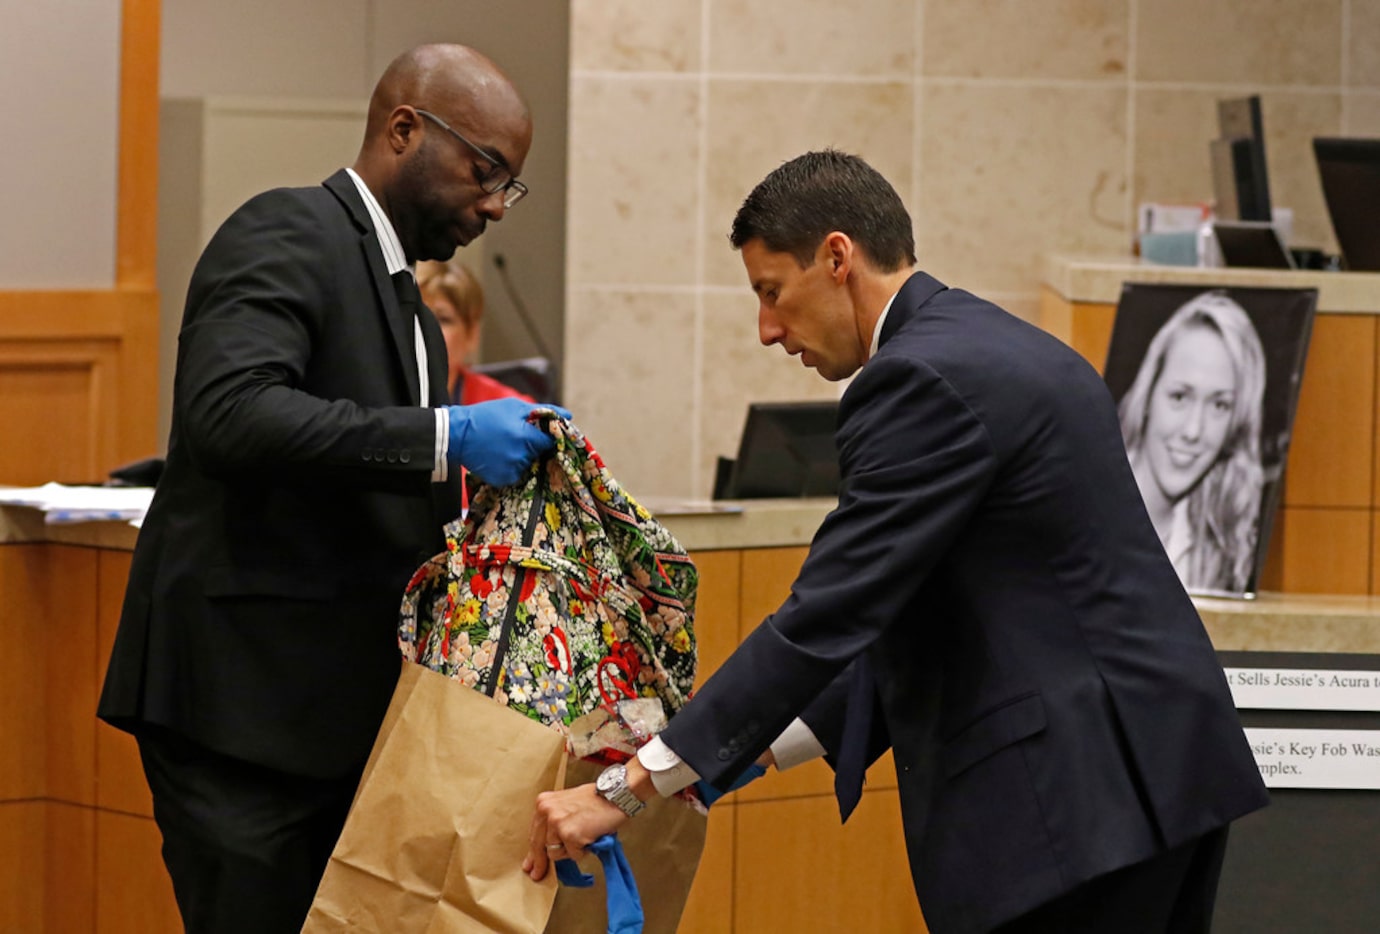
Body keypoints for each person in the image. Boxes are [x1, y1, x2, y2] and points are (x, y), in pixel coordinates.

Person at [525, 151, 1268, 934]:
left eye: (772, 293)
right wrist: (723, 760)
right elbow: (914, 615)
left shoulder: (916, 380)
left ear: (838, 257)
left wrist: (628, 787)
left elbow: (825, 618)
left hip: (1081, 805)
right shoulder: (994, 344)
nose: (768, 330)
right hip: (1159, 779)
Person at [97, 44, 562, 933]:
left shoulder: (419, 318)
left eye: (512, 183)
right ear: (403, 130)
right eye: (487, 170)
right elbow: (229, 415)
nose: (497, 204)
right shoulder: (286, 228)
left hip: (346, 727)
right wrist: (449, 436)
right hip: (244, 721)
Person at [1117, 291, 1267, 594]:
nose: (1194, 430)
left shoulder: (1226, 536)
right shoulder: (1084, 505)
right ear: (1147, 395)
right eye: (1179, 397)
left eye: (1219, 405)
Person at [416, 256, 531, 404]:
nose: (427, 328)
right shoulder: (379, 404)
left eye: (443, 319)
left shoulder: (509, 409)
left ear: (471, 334)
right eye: (417, 316)